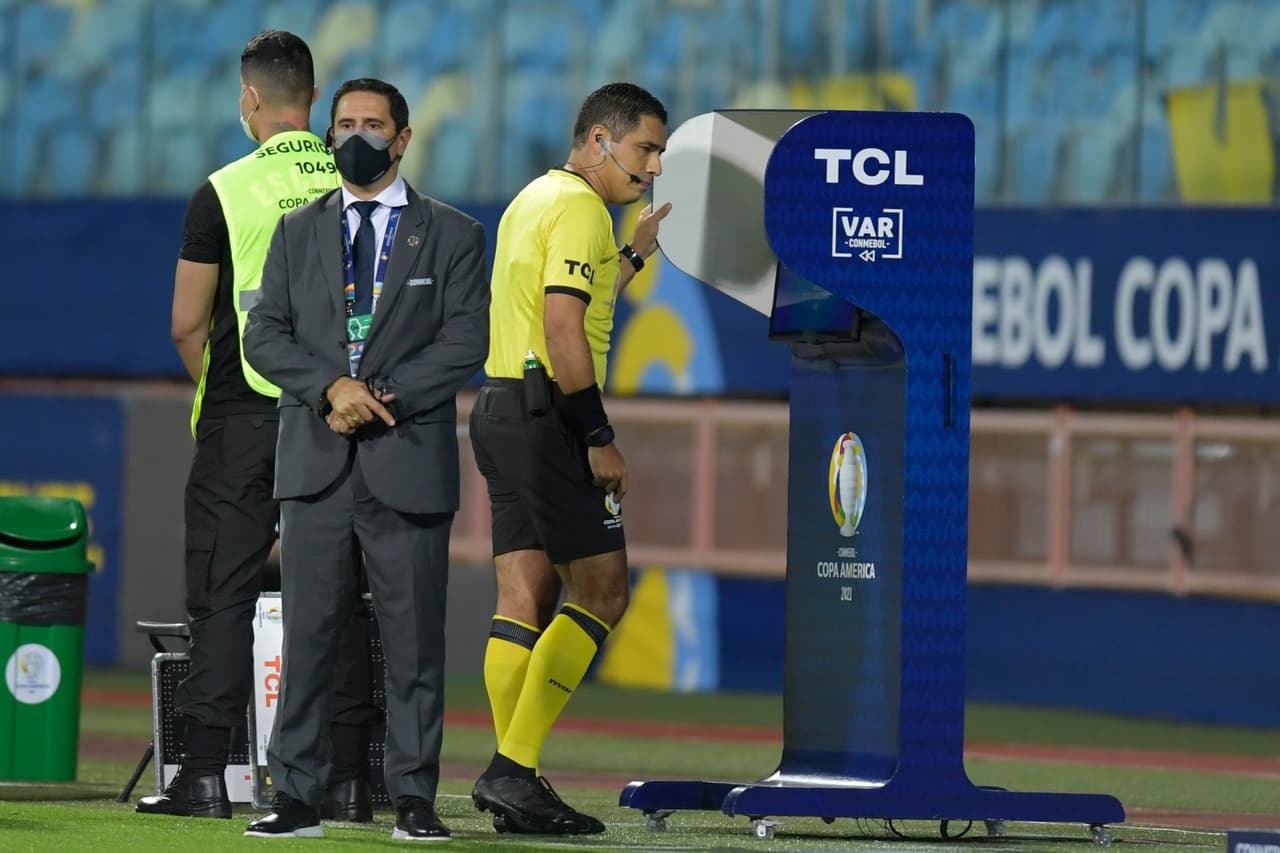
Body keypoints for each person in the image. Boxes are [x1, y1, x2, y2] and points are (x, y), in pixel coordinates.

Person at [137, 30, 380, 822]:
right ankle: (350, 780)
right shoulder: (360, 184)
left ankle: (205, 776)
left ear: (249, 98)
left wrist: (220, 394)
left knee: (224, 593)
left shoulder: (223, 191)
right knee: (339, 593)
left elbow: (186, 323)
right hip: (340, 416)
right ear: (313, 99)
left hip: (244, 410)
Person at [241, 77, 489, 841]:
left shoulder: (453, 233)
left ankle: (413, 797)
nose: (357, 136)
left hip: (405, 458)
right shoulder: (295, 231)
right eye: (345, 122)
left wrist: (378, 395)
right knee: (308, 637)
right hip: (316, 462)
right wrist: (331, 388)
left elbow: (466, 340)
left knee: (414, 645)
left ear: (403, 138)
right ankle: (296, 795)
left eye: (373, 124)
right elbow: (264, 333)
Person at [468, 82, 671, 835]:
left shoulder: (534, 199)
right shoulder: (585, 209)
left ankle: (513, 776)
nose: (653, 167)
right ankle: (513, 768)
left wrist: (632, 256)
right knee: (604, 591)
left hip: (499, 408)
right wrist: (596, 435)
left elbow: (565, 301)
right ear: (598, 141)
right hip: (550, 417)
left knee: (523, 596)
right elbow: (563, 329)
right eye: (645, 148)